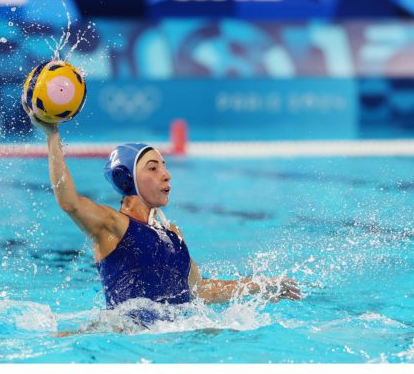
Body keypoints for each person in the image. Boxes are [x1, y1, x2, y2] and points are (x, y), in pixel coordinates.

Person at [24, 107, 301, 326]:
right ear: (127, 178)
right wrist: (52, 136)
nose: (166, 174)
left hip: (173, 334)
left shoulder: (173, 234)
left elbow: (201, 290)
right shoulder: (113, 226)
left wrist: (261, 285)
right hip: (127, 336)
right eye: (153, 168)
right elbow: (69, 202)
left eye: (164, 166)